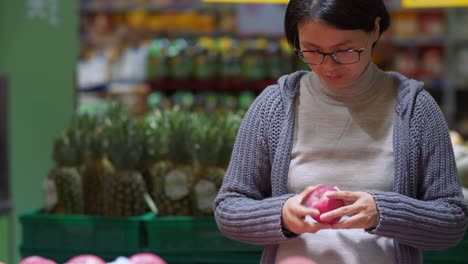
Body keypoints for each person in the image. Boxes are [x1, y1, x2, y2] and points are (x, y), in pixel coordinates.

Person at [213, 1, 468, 263]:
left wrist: (384, 212)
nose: (329, 66)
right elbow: (229, 208)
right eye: (312, 51)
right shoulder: (274, 106)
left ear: (375, 29)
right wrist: (281, 214)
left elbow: (452, 220)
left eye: (344, 50)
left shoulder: (416, 109)